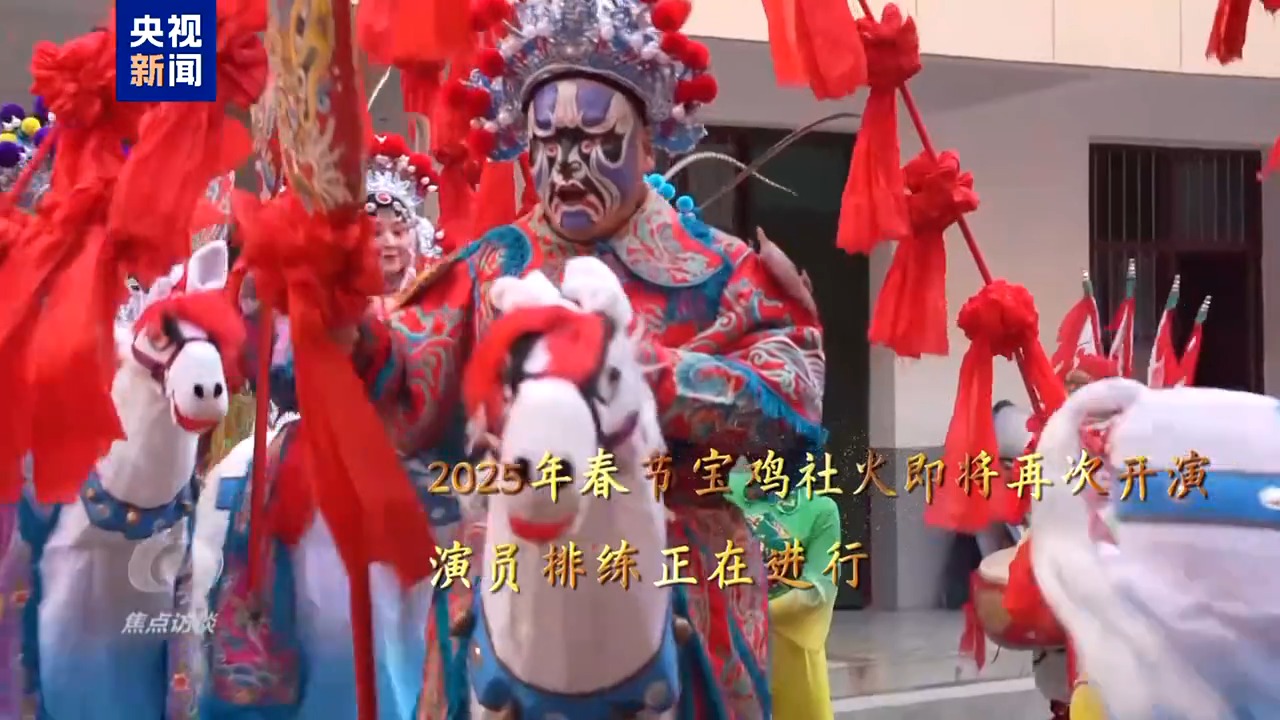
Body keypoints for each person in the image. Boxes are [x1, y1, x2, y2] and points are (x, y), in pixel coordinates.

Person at [339, 1, 825, 716]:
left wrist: (636, 376)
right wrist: (349, 335)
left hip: (680, 560)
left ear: (647, 144)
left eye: (596, 139)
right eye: (547, 141)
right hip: (511, 560)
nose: (566, 165)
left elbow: (793, 397)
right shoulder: (493, 265)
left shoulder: (723, 271)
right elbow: (412, 371)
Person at [728, 457, 839, 719]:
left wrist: (747, 615)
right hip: (732, 654)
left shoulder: (820, 509)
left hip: (792, 660)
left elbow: (817, 591)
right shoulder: (724, 492)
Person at [363, 132, 445, 316]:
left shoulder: (434, 297)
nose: (389, 243)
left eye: (398, 232)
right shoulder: (337, 306)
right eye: (376, 233)